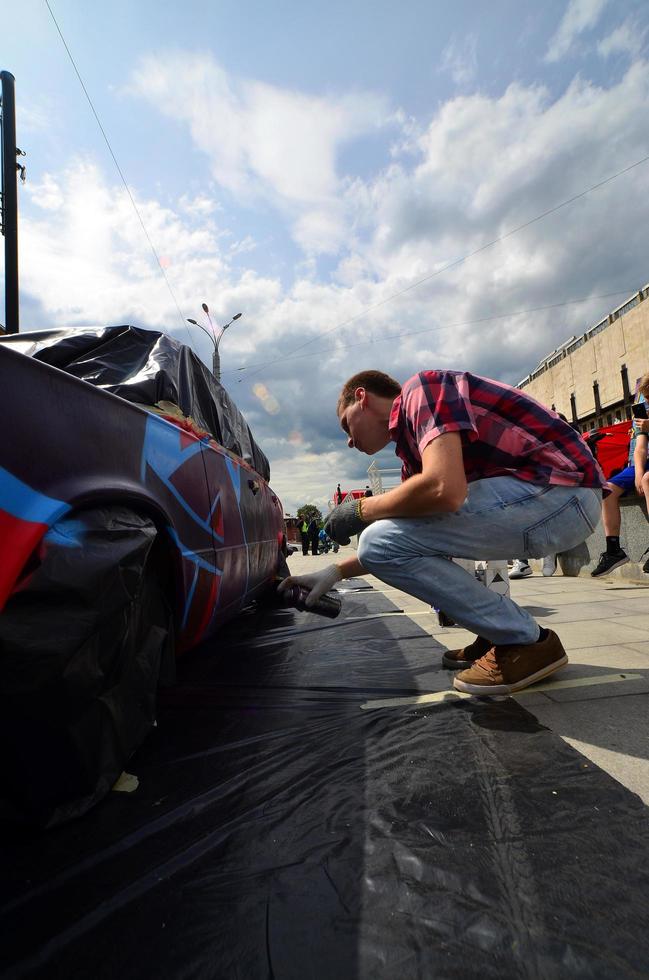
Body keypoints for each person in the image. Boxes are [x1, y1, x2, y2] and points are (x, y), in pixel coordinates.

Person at [279, 369, 605, 695]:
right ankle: (498, 632)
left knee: (379, 535)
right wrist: (334, 572)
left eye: (346, 425)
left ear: (362, 398)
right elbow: (395, 543)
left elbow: (444, 490)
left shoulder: (423, 389)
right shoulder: (412, 452)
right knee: (382, 541)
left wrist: (361, 509)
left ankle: (524, 640)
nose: (349, 441)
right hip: (546, 505)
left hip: (563, 493)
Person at [591, 373, 649, 576]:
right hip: (645, 462)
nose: (647, 402)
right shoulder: (646, 412)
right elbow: (640, 448)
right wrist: (638, 470)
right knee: (606, 489)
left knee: (648, 480)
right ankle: (614, 550)